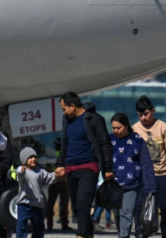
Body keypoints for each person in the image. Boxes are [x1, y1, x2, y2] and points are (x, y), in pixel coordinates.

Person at [54, 92, 113, 238]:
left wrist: (108, 169)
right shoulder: (67, 120)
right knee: (77, 208)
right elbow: (64, 144)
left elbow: (105, 145)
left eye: (64, 109)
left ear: (72, 106)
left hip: (88, 168)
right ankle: (88, 234)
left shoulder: (94, 119)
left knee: (83, 204)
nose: (63, 112)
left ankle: (81, 235)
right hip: (71, 169)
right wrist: (60, 164)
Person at [132, 95, 166, 238]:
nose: (144, 118)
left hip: (161, 174)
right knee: (140, 207)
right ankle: (140, 232)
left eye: (146, 114)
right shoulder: (135, 129)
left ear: (153, 111)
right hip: (143, 177)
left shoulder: (163, 127)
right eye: (140, 115)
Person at [110, 113, 156, 238]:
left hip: (131, 184)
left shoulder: (137, 141)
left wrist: (150, 186)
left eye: (118, 128)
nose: (116, 131)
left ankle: (123, 236)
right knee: (118, 214)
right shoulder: (109, 140)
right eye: (113, 128)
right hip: (113, 184)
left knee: (126, 212)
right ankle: (121, 233)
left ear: (126, 126)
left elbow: (146, 163)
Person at [17, 146, 61, 238]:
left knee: (39, 227)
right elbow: (19, 174)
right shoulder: (23, 172)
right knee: (22, 225)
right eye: (30, 157)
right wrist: (21, 170)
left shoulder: (40, 171)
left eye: (35, 157)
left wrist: (56, 175)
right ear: (24, 160)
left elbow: (49, 178)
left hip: (37, 205)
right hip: (24, 204)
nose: (33, 159)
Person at [46, 137, 71, 231]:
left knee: (52, 204)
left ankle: (50, 225)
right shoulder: (64, 154)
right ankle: (63, 225)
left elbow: (47, 167)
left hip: (56, 182)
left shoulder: (52, 154)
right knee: (63, 205)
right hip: (59, 181)